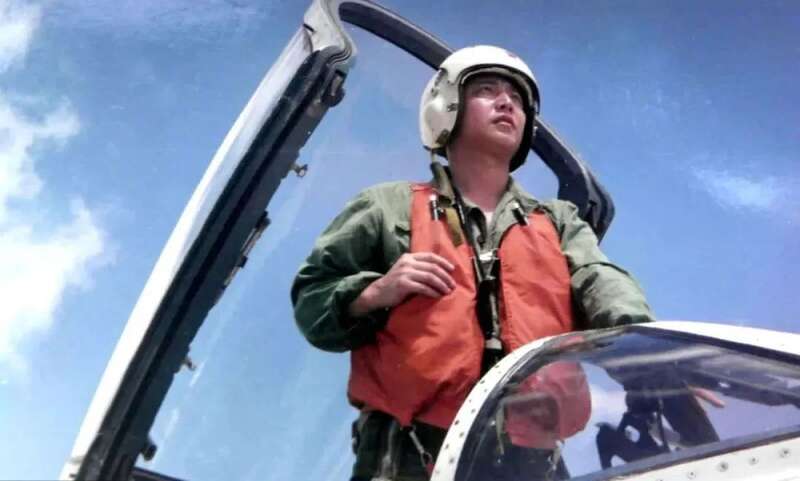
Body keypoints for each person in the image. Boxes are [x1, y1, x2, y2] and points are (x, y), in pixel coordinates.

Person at [291, 45, 654, 480]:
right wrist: (375, 292)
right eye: (487, 90)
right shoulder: (387, 208)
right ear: (447, 106)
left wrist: (650, 351)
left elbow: (600, 281)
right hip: (409, 458)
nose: (506, 103)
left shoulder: (558, 223)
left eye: (517, 99)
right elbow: (313, 301)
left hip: (531, 463)